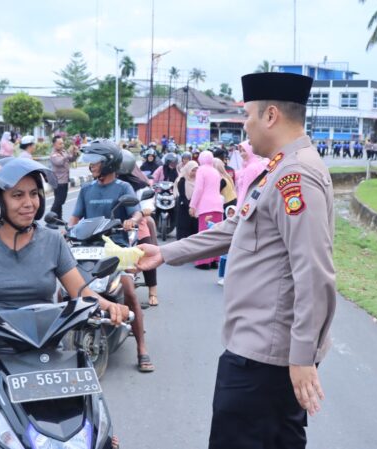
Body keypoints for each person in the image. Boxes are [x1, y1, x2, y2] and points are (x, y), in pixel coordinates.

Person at [135, 72, 336, 449]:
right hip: (257, 349)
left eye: (248, 116)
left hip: (268, 358)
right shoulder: (279, 169)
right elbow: (234, 228)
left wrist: (303, 356)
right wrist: (165, 252)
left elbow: (314, 272)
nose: (244, 127)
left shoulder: (296, 176)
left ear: (271, 115)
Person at [0, 158, 129, 449]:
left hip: (48, 355)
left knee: (95, 436)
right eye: (17, 195)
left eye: (34, 194)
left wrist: (108, 306)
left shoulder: (53, 241)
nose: (28, 202)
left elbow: (80, 292)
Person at [70, 140, 155, 372]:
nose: (91, 166)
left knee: (128, 291)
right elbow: (75, 219)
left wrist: (132, 221)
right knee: (65, 289)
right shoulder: (86, 190)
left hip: (115, 249)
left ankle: (142, 349)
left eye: (95, 162)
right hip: (85, 248)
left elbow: (136, 211)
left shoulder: (123, 188)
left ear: (108, 163)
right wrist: (66, 230)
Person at [118, 149, 162, 307]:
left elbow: (147, 205)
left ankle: (153, 290)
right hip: (111, 226)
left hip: (136, 225)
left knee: (147, 253)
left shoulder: (139, 185)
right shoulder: (105, 184)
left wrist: (142, 212)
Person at [190, 151, 224, 270]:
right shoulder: (215, 171)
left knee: (204, 234)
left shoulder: (201, 170)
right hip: (218, 205)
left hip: (206, 206)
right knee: (215, 234)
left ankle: (203, 261)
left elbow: (198, 189)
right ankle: (215, 260)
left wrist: (193, 205)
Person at [48, 135, 78, 218]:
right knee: (58, 201)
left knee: (61, 201)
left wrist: (74, 153)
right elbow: (59, 162)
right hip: (58, 181)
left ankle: (58, 218)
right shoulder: (53, 155)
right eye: (60, 144)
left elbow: (71, 159)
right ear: (54, 144)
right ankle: (50, 219)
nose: (62, 145)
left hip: (64, 180)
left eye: (62, 143)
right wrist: (68, 154)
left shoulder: (63, 152)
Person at [234, 140, 269, 205]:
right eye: (240, 151)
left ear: (250, 150)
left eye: (244, 150)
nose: (241, 154)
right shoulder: (251, 165)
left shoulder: (251, 168)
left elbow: (245, 190)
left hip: (246, 205)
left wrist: (238, 209)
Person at [175, 160, 199, 241]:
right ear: (188, 170)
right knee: (184, 232)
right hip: (184, 208)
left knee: (195, 232)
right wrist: (190, 206)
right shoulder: (182, 180)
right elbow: (182, 196)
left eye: (196, 170)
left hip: (196, 209)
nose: (195, 172)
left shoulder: (199, 180)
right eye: (193, 170)